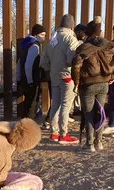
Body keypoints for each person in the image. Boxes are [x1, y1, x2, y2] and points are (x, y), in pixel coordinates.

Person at [72, 17, 114, 152]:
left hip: (88, 85)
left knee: (89, 114)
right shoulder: (109, 45)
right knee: (100, 112)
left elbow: (76, 66)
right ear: (100, 32)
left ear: (88, 33)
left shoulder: (83, 47)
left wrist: (76, 82)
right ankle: (99, 142)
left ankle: (89, 144)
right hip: (104, 84)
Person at [40, 14, 81, 144]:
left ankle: (54, 133)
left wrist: (53, 68)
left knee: (55, 105)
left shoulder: (52, 40)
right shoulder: (70, 38)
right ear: (72, 25)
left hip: (54, 76)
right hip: (67, 77)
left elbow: (43, 61)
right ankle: (64, 135)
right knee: (66, 106)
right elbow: (72, 59)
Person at [17, 24, 47, 118]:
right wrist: (30, 81)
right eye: (42, 35)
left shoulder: (25, 44)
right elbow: (28, 65)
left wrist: (18, 77)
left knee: (27, 104)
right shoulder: (34, 46)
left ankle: (24, 124)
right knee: (32, 104)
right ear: (36, 35)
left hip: (24, 79)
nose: (44, 37)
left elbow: (19, 63)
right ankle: (28, 127)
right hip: (31, 79)